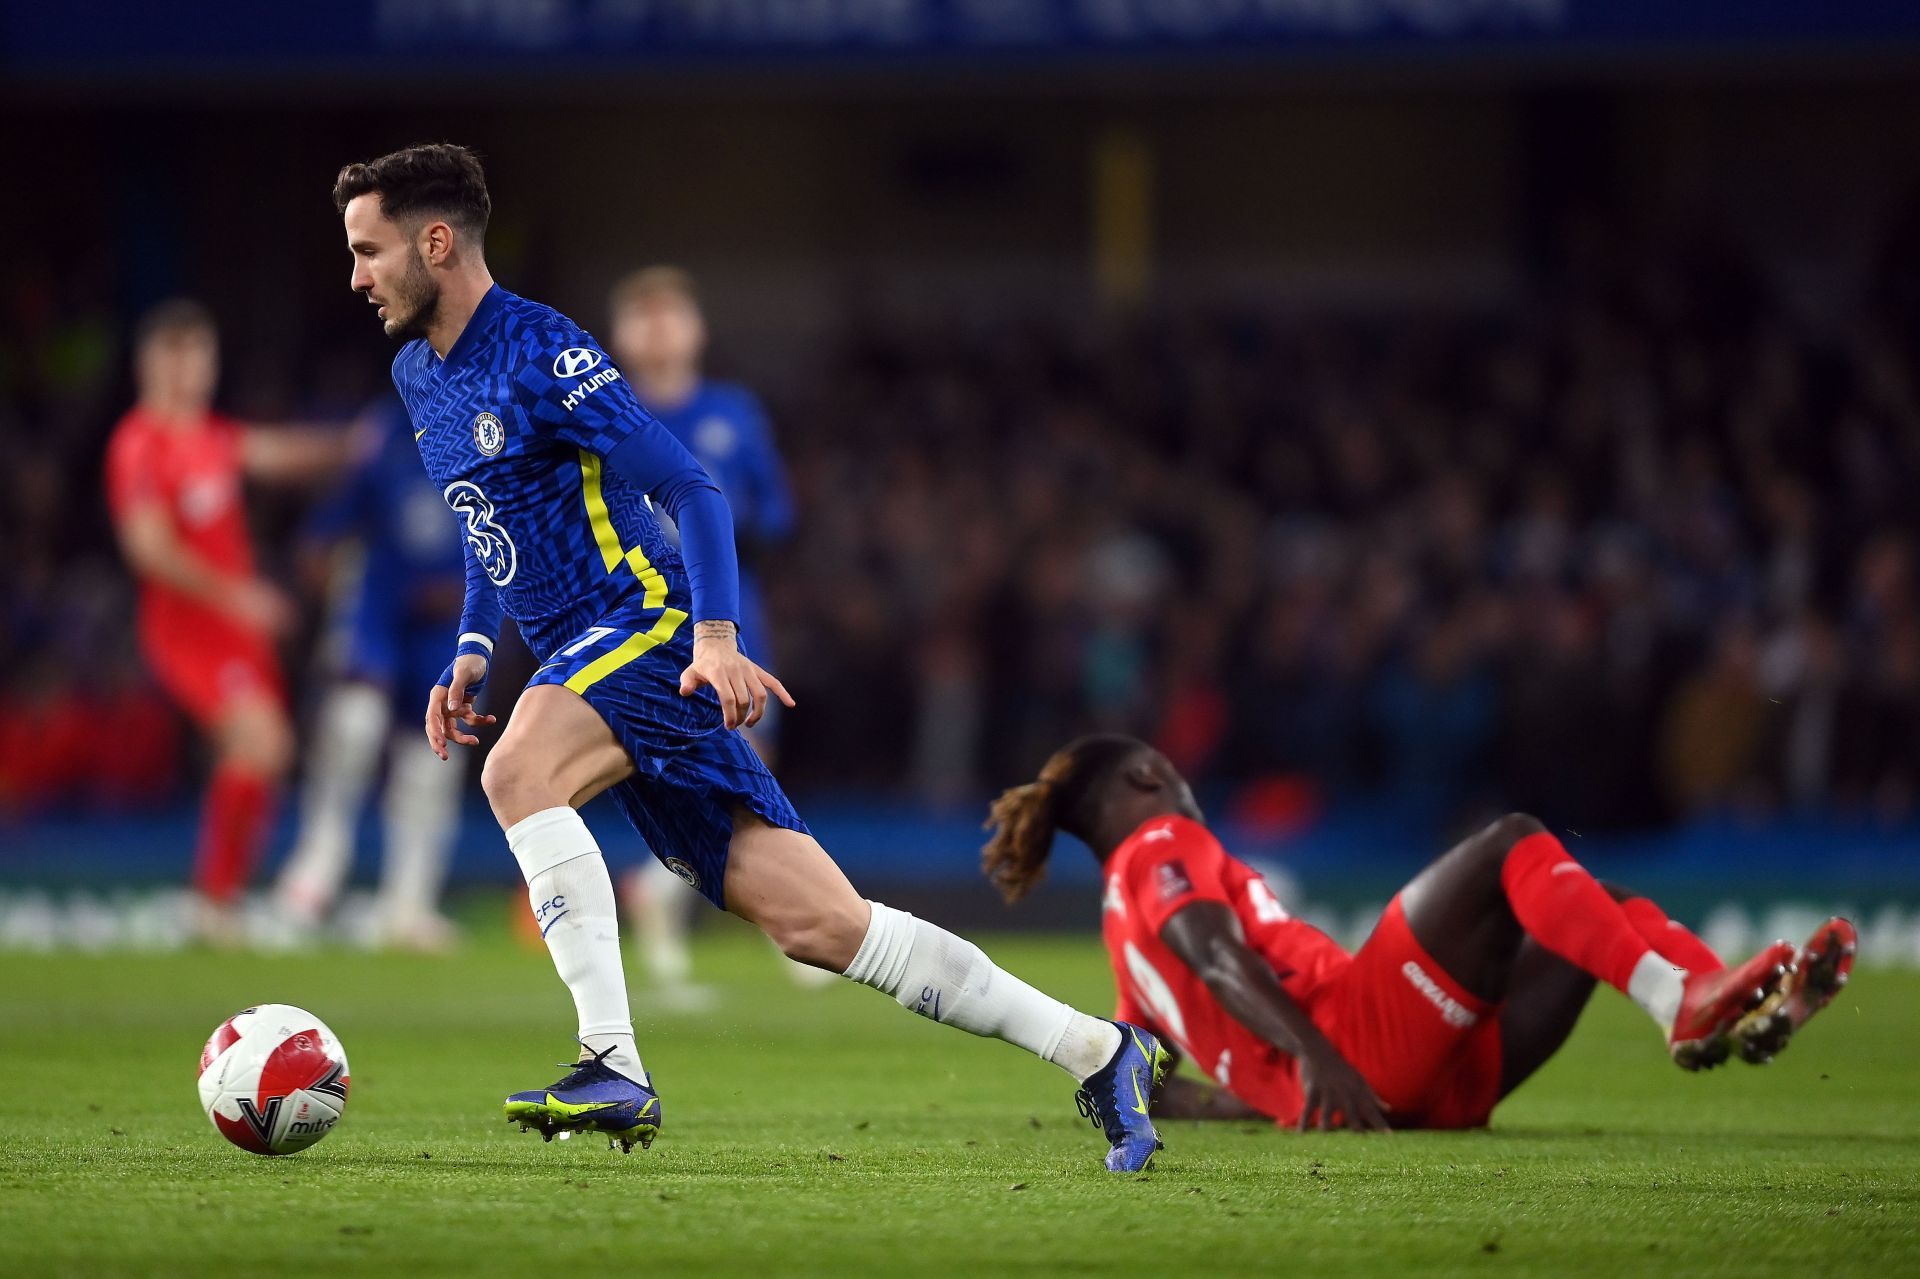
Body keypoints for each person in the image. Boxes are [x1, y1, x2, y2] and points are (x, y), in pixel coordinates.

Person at [333, 142, 1166, 1172]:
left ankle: (610, 1062)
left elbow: (694, 489)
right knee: (824, 925)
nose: (358, 276)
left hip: (640, 625)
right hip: (580, 656)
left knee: (516, 771)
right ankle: (1098, 1047)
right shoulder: (417, 374)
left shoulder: (543, 350)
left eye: (370, 251)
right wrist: (469, 647)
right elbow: (482, 520)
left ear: (437, 241)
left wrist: (716, 638)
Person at [983, 734, 1855, 1131]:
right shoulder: (1165, 841)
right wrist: (1318, 1060)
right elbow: (1218, 955)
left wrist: (1268, 1100)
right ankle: (1685, 999)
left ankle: (1720, 1001)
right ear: (1149, 773)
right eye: (1173, 773)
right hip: (1364, 1044)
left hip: (1416, 1094)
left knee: (1589, 902)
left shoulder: (1120, 931)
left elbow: (1156, 1078)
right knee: (1513, 840)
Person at [104, 300, 358, 943]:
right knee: (262, 742)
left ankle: (223, 901)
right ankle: (215, 903)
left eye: (198, 353)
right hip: (190, 630)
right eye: (175, 354)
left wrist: (359, 443)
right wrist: (238, 595)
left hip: (233, 630)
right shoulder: (139, 445)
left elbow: (277, 453)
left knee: (268, 753)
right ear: (149, 363)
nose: (188, 368)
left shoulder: (211, 438)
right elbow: (149, 550)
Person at [607, 266, 805, 997]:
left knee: (751, 761)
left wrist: (719, 535)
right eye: (643, 316)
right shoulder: (604, 410)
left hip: (729, 608)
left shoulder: (735, 411)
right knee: (668, 767)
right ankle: (785, 920)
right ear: (621, 333)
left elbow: (776, 511)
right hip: (634, 613)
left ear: (696, 329)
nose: (658, 330)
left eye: (672, 315)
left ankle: (677, 900)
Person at [272, 395, 470, 950]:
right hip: (380, 602)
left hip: (455, 614)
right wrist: (324, 580)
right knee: (352, 724)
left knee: (435, 751)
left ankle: (410, 901)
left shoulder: (502, 426)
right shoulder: (385, 429)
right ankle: (314, 871)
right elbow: (327, 529)